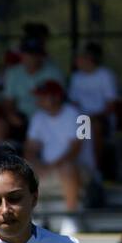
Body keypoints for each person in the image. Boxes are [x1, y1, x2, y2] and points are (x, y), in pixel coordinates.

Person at [25, 80, 93, 220]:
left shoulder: (81, 116)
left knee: (67, 168)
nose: (39, 100)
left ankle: (71, 217)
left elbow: (76, 150)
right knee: (24, 170)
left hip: (80, 169)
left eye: (43, 96)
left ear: (56, 97)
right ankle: (34, 219)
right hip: (50, 169)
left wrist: (51, 167)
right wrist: (37, 164)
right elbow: (30, 148)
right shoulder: (38, 117)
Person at [0, 36, 65, 142]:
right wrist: (11, 114)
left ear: (41, 55)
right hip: (22, 118)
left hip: (47, 117)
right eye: (27, 53)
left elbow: (60, 101)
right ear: (21, 55)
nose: (30, 57)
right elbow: (8, 100)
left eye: (34, 54)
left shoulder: (54, 72)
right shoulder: (13, 72)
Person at [68, 43, 118, 180]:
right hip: (80, 118)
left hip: (101, 119)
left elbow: (110, 106)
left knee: (92, 125)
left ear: (89, 58)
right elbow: (73, 103)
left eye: (79, 58)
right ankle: (77, 170)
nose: (76, 61)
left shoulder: (105, 75)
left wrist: (90, 117)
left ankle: (95, 170)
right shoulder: (76, 77)